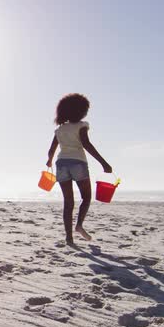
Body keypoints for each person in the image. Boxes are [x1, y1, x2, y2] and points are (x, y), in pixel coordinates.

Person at [45, 94, 112, 246]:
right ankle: (79, 225)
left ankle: (69, 238)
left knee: (68, 202)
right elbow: (87, 145)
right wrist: (104, 163)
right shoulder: (82, 126)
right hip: (78, 163)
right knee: (86, 197)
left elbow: (51, 151)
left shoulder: (59, 130)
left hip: (61, 164)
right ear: (80, 110)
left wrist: (49, 161)